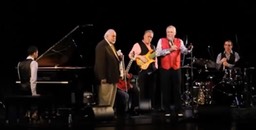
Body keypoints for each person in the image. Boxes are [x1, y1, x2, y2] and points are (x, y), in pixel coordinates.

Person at [156, 25, 192, 117]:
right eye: (168, 32)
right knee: (166, 89)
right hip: (165, 68)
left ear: (175, 33)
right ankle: (167, 110)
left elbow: (184, 50)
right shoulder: (161, 40)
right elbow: (157, 53)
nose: (169, 34)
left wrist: (188, 50)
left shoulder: (179, 41)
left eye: (171, 32)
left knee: (177, 89)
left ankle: (179, 109)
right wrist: (169, 50)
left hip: (176, 68)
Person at [94, 29, 129, 117]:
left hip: (113, 78)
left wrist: (119, 58)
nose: (114, 38)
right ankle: (103, 117)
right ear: (107, 36)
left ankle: (108, 116)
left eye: (115, 36)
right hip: (107, 78)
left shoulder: (111, 45)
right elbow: (100, 63)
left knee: (111, 100)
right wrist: (103, 78)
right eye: (113, 36)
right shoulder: (101, 46)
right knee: (105, 99)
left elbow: (113, 60)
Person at [128, 29, 158, 114]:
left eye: (151, 37)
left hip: (152, 71)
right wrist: (140, 57)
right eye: (148, 36)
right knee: (143, 90)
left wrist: (156, 67)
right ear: (144, 36)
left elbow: (154, 59)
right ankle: (142, 108)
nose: (149, 39)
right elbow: (130, 55)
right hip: (143, 71)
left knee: (152, 90)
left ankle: (151, 108)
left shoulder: (153, 47)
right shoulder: (138, 45)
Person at [16, 45, 39, 122]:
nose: (37, 54)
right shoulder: (34, 63)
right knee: (37, 99)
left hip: (21, 89)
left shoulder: (19, 63)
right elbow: (33, 79)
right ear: (34, 53)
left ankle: (26, 114)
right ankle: (34, 115)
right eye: (37, 52)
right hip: (29, 89)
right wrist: (34, 93)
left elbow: (20, 78)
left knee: (25, 103)